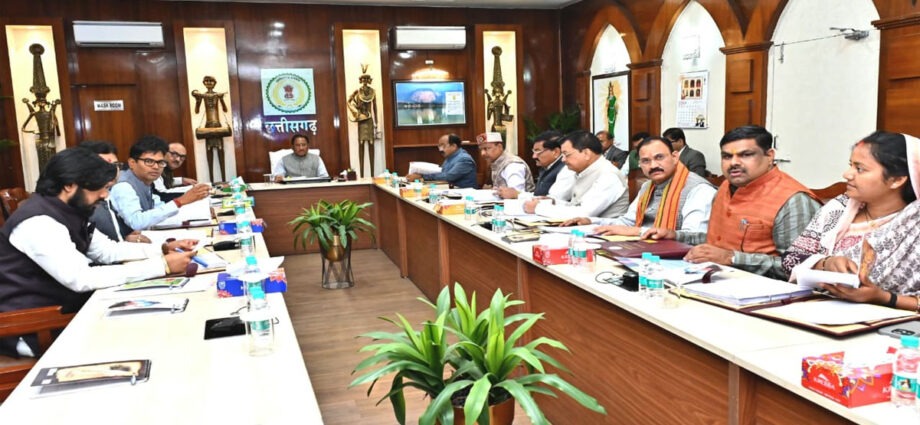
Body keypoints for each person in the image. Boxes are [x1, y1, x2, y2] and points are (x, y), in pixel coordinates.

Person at [0, 147, 197, 357]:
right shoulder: (38, 222)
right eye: (99, 188)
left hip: (71, 309)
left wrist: (161, 249)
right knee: (161, 336)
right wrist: (162, 266)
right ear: (69, 185)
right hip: (37, 326)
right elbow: (81, 278)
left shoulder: (71, 209)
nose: (105, 195)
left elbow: (107, 251)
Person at [645, 125, 821, 279]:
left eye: (746, 155)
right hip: (715, 280)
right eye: (727, 156)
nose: (734, 163)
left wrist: (732, 258)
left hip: (767, 295)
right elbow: (719, 242)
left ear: (769, 156)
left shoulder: (793, 200)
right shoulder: (725, 187)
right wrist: (675, 236)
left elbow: (803, 266)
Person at [783, 131, 920, 310]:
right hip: (817, 309)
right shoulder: (839, 208)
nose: (847, 174)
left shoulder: (915, 225)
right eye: (850, 165)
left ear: (897, 180)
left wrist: (884, 298)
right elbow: (789, 260)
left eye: (860, 169)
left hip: (893, 321)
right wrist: (824, 263)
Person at [564, 136, 716, 236]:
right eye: (646, 161)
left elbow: (694, 236)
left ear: (675, 157)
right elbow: (627, 223)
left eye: (659, 157)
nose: (653, 165)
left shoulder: (698, 189)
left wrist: (637, 232)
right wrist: (592, 221)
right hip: (642, 249)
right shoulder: (647, 186)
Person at [109, 136, 211, 232]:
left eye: (160, 162)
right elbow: (136, 222)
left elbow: (159, 207)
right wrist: (180, 201)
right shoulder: (123, 186)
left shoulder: (145, 181)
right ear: (132, 163)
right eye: (149, 161)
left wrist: (202, 213)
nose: (156, 167)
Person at [523, 131, 629, 219]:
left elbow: (583, 213)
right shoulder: (583, 171)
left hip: (605, 235)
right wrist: (552, 202)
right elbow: (575, 205)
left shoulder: (609, 175)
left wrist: (538, 208)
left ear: (586, 153)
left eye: (566, 154)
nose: (563, 160)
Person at [80, 141, 148, 243]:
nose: (113, 170)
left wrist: (124, 238)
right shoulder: (84, 203)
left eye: (115, 165)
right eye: (104, 166)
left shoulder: (108, 194)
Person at [495, 130, 573, 199]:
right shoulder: (547, 167)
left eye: (538, 151)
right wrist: (516, 194)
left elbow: (553, 200)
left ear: (555, 152)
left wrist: (517, 195)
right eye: (533, 151)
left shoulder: (566, 169)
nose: (534, 156)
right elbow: (538, 195)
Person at [192, 75, 231, 183]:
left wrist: (221, 99)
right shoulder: (202, 95)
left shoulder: (217, 95)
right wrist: (197, 100)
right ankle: (211, 182)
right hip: (208, 127)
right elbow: (196, 111)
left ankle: (224, 181)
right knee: (209, 152)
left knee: (220, 152)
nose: (209, 83)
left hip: (217, 125)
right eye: (206, 81)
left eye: (211, 81)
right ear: (204, 83)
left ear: (215, 83)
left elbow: (225, 109)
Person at [405, 134, 477, 189]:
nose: (440, 150)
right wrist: (418, 176)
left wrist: (422, 176)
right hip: (451, 190)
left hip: (465, 194)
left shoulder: (464, 159)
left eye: (443, 146)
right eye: (439, 146)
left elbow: (448, 177)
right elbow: (441, 173)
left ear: (454, 146)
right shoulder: (449, 158)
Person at [347, 67, 378, 178]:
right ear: (361, 80)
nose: (365, 81)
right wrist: (355, 112)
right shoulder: (357, 92)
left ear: (369, 80)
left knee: (371, 144)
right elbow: (348, 102)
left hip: (369, 120)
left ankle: (373, 175)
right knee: (361, 144)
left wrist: (377, 123)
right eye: (363, 79)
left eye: (366, 79)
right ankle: (361, 175)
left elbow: (375, 107)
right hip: (361, 121)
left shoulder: (373, 92)